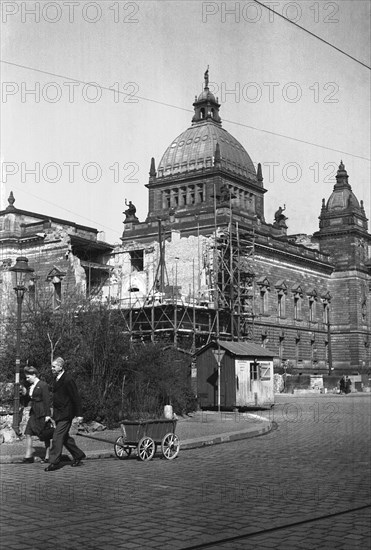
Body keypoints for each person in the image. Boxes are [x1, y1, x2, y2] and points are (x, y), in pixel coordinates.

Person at [44, 357, 86, 472]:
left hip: (66, 414)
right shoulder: (57, 379)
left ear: (60, 367)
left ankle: (54, 462)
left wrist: (79, 414)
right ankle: (78, 455)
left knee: (57, 437)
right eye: (52, 366)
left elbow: (75, 397)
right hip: (59, 414)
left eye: (54, 366)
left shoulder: (68, 379)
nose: (52, 368)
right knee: (65, 438)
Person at [20, 365, 53, 464]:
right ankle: (28, 456)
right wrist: (25, 394)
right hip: (34, 413)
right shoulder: (31, 386)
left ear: (34, 375)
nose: (27, 379)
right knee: (28, 433)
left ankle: (48, 456)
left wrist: (48, 415)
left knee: (45, 435)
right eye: (26, 377)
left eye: (28, 377)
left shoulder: (43, 385)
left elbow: (47, 400)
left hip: (42, 413)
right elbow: (30, 400)